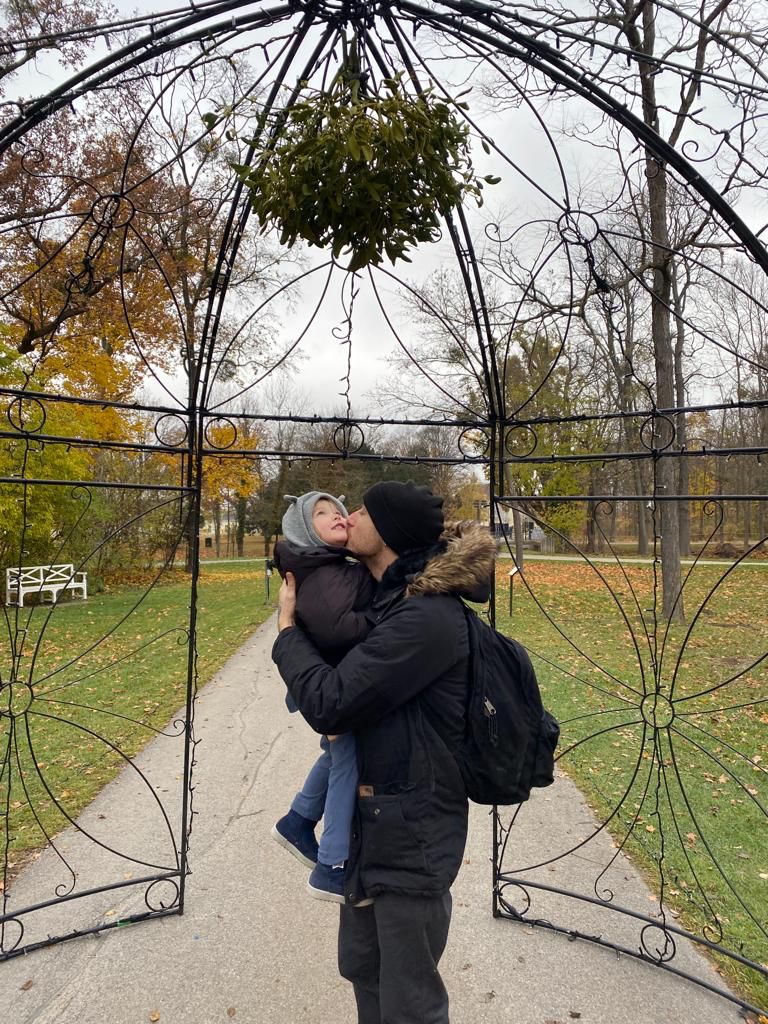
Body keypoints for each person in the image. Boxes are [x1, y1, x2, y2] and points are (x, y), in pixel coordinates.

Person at [272, 480, 496, 1024]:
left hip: (410, 836)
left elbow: (330, 702)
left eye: (362, 509)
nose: (349, 515)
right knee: (364, 970)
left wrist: (285, 630)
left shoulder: (425, 618)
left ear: (388, 530)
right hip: (369, 831)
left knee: (409, 1001)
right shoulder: (389, 600)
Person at [269, 491, 374, 902]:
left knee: (334, 755)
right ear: (301, 528)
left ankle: (296, 821)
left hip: (321, 675)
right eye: (322, 512)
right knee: (348, 760)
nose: (337, 516)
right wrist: (382, 616)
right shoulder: (318, 570)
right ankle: (331, 866)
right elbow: (339, 630)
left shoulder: (321, 563)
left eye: (339, 511)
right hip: (326, 681)